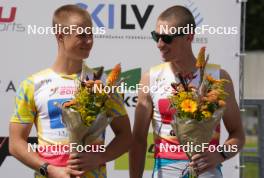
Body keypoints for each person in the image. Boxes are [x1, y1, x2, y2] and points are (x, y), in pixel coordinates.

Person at [9, 4, 132, 178]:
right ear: (61, 36)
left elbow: (126, 136)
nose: (89, 41)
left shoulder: (102, 83)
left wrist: (99, 158)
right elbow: (15, 144)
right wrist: (50, 169)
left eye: (90, 34)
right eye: (82, 35)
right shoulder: (32, 84)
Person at [129, 5, 245, 178]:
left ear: (189, 37)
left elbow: (238, 135)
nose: (160, 44)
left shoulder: (218, 77)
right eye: (156, 36)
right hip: (165, 171)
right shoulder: (150, 78)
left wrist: (220, 154)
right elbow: (138, 140)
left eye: (167, 38)